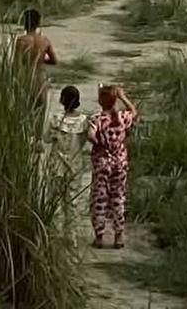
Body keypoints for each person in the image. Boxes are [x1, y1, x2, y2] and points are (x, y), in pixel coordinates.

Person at [88, 84, 138, 249]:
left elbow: (90, 135)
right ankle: (119, 236)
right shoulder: (122, 117)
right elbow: (134, 111)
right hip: (119, 162)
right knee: (118, 198)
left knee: (99, 197)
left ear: (100, 101)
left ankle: (99, 236)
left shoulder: (97, 119)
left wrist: (99, 144)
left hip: (102, 163)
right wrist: (122, 97)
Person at [48, 85, 90, 236]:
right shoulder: (84, 121)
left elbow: (46, 138)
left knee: (55, 199)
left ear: (62, 100)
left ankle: (55, 232)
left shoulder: (55, 119)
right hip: (75, 164)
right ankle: (72, 236)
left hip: (57, 164)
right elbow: (85, 141)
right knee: (73, 200)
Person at [14, 8, 58, 105]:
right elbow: (54, 61)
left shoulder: (21, 41)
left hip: (27, 79)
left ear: (25, 23)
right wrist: (40, 59)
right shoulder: (44, 40)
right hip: (40, 79)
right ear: (38, 23)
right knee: (41, 108)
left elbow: (16, 65)